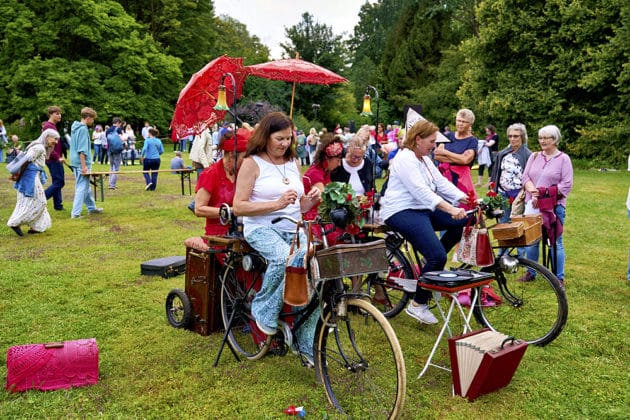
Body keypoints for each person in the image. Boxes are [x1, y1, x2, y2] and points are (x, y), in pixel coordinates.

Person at [233, 112, 321, 364]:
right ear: (266, 136)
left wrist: (308, 201)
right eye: (279, 138)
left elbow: (298, 207)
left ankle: (305, 341)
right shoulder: (252, 163)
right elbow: (238, 206)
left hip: (293, 227)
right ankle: (263, 309)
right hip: (261, 227)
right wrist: (276, 203)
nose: (284, 144)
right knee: (287, 259)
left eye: (288, 138)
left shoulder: (293, 161)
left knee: (315, 273)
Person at [380, 119, 470, 324]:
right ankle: (417, 304)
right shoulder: (405, 159)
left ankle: (428, 264)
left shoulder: (424, 159)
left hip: (421, 209)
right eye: (432, 141)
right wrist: (450, 208)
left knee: (459, 223)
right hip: (402, 210)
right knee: (438, 256)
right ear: (418, 139)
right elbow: (421, 192)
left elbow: (440, 183)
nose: (435, 146)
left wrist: (462, 197)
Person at [519, 125, 573, 287]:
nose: (542, 141)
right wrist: (533, 192)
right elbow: (525, 177)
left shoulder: (564, 159)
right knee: (532, 240)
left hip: (554, 207)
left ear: (554, 140)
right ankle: (531, 272)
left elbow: (566, 185)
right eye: (540, 138)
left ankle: (558, 277)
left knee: (555, 242)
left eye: (546, 138)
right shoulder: (534, 156)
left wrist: (542, 195)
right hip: (532, 205)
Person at [191, 128, 250, 241]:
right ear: (232, 155)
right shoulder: (210, 174)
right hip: (218, 236)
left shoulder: (242, 173)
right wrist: (231, 211)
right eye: (244, 157)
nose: (248, 161)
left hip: (243, 230)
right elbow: (199, 209)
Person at [7, 129, 59, 236]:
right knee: (40, 201)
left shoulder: (41, 147)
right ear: (47, 137)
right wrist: (17, 175)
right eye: (55, 139)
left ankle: (37, 227)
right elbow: (25, 161)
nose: (56, 141)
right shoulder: (38, 147)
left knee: (34, 201)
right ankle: (15, 222)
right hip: (30, 177)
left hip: (33, 176)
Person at [302, 133, 344, 240]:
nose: (339, 164)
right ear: (327, 158)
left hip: (323, 214)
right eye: (338, 160)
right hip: (315, 218)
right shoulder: (315, 173)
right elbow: (323, 198)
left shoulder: (324, 171)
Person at [435, 108, 478, 209]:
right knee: (443, 205)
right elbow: (437, 155)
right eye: (458, 120)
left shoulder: (472, 140)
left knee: (466, 205)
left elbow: (466, 160)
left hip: (461, 179)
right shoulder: (448, 136)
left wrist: (446, 153)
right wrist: (459, 158)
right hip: (444, 176)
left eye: (464, 122)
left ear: (470, 124)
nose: (460, 124)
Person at [489, 123, 532, 222]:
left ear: (522, 137)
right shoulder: (503, 153)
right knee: (504, 224)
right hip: (503, 193)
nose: (512, 139)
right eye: (510, 136)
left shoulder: (528, 155)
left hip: (519, 195)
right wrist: (493, 190)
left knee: (517, 224)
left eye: (516, 136)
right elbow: (496, 173)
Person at [70, 107, 103, 219]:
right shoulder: (83, 129)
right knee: (81, 187)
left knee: (85, 187)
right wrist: (84, 167)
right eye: (92, 119)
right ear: (88, 118)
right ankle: (75, 213)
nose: (93, 121)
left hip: (75, 161)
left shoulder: (75, 127)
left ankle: (91, 208)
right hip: (81, 163)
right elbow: (82, 150)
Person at [330, 128, 375, 196]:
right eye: (353, 156)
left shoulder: (368, 164)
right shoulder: (338, 164)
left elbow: (371, 187)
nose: (356, 159)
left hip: (364, 203)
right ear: (348, 149)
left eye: (359, 157)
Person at [42, 106, 66, 211]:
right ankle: (40, 200)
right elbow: (49, 145)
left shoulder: (52, 126)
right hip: (53, 158)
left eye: (60, 113)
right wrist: (57, 157)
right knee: (60, 182)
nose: (59, 115)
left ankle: (58, 205)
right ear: (51, 114)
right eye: (57, 113)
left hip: (55, 158)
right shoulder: (48, 126)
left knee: (57, 181)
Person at [105, 117, 124, 190]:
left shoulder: (108, 130)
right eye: (120, 124)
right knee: (116, 168)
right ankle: (112, 185)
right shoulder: (118, 129)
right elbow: (122, 138)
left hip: (109, 150)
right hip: (117, 150)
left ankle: (110, 184)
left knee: (111, 167)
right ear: (118, 123)